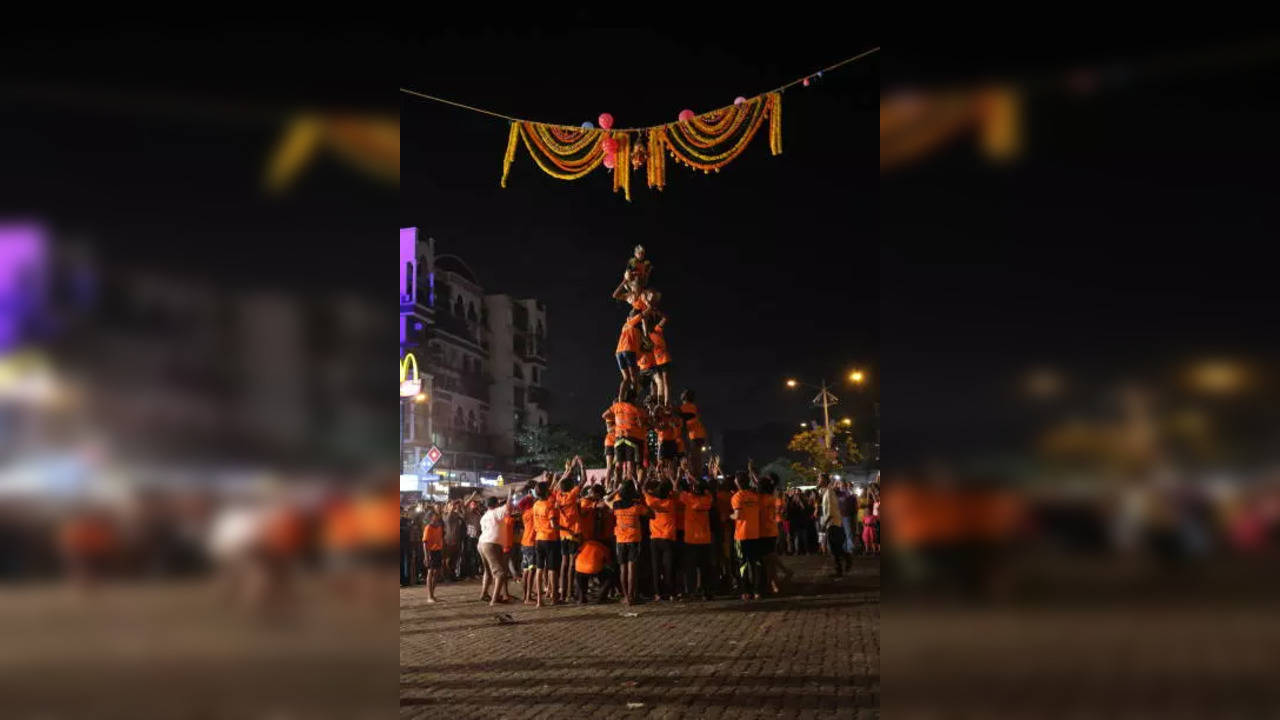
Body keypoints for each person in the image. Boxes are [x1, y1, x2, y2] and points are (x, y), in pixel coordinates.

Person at [606, 481, 649, 605]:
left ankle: (626, 597)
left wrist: (616, 490)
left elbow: (606, 500)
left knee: (622, 569)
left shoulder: (616, 505)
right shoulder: (636, 505)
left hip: (620, 540)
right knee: (632, 570)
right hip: (634, 539)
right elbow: (651, 514)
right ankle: (631, 596)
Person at [677, 460, 715, 600]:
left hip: (691, 539)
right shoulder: (708, 500)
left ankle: (692, 591)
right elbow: (707, 491)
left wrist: (683, 472)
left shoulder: (688, 498)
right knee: (705, 568)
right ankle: (707, 592)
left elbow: (678, 490)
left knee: (690, 569)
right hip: (705, 538)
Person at [478, 486, 516, 606]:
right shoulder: (497, 512)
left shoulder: (484, 516)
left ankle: (484, 594)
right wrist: (510, 493)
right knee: (499, 572)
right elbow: (509, 506)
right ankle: (494, 600)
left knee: (488, 571)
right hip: (491, 544)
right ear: (496, 504)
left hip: (482, 543)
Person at [643, 477, 679, 602]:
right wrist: (674, 477)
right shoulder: (671, 502)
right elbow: (675, 490)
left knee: (656, 567)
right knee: (669, 567)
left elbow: (644, 490)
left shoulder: (652, 501)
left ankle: (658, 593)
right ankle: (670, 593)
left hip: (655, 539)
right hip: (668, 538)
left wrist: (648, 477)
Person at [730, 470, 764, 600]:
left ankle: (745, 591)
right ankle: (757, 591)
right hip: (754, 534)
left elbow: (737, 515)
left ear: (738, 482)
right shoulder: (754, 496)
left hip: (741, 535)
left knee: (742, 564)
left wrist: (729, 516)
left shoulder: (737, 497)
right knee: (755, 563)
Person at [555, 457, 585, 601]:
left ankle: (562, 593)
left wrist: (567, 470)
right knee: (572, 563)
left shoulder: (558, 496)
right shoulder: (572, 495)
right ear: (571, 487)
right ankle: (569, 594)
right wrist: (581, 465)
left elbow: (558, 484)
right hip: (574, 533)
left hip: (563, 534)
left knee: (564, 563)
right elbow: (583, 480)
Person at [531, 476, 561, 607]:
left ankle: (539, 600)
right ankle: (554, 598)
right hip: (550, 539)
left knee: (539, 569)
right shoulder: (550, 505)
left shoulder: (535, 505)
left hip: (539, 538)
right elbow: (553, 524)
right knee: (552, 569)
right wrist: (566, 528)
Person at [607, 387, 645, 483]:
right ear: (633, 398)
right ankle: (630, 487)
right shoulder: (635, 409)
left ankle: (616, 487)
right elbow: (640, 424)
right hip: (630, 439)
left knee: (618, 466)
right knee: (630, 466)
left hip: (618, 439)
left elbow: (604, 416)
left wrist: (617, 421)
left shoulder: (616, 407)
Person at [818, 474, 852, 578]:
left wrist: (824, 523)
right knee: (834, 548)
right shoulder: (826, 492)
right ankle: (842, 566)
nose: (818, 480)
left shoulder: (829, 492)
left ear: (824, 480)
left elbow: (831, 510)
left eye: (819, 478)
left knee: (834, 549)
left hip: (833, 523)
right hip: (832, 523)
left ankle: (844, 563)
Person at [614, 310, 645, 398]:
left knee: (626, 378)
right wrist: (650, 307)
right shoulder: (631, 322)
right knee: (633, 377)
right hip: (628, 350)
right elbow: (643, 314)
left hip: (619, 352)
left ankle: (620, 399)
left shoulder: (626, 327)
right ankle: (633, 399)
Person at [679, 390, 708, 474]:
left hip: (695, 435)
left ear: (684, 397)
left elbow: (686, 418)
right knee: (696, 457)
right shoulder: (692, 406)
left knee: (693, 457)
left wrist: (677, 412)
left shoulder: (686, 407)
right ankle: (696, 474)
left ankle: (695, 475)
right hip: (698, 434)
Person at [421, 510, 444, 603]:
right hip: (431, 552)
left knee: (437, 572)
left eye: (437, 516)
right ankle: (429, 596)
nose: (436, 517)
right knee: (430, 572)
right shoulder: (428, 527)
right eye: (434, 516)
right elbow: (425, 543)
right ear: (430, 518)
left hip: (438, 551)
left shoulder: (439, 527)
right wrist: (426, 556)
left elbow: (440, 539)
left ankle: (432, 595)